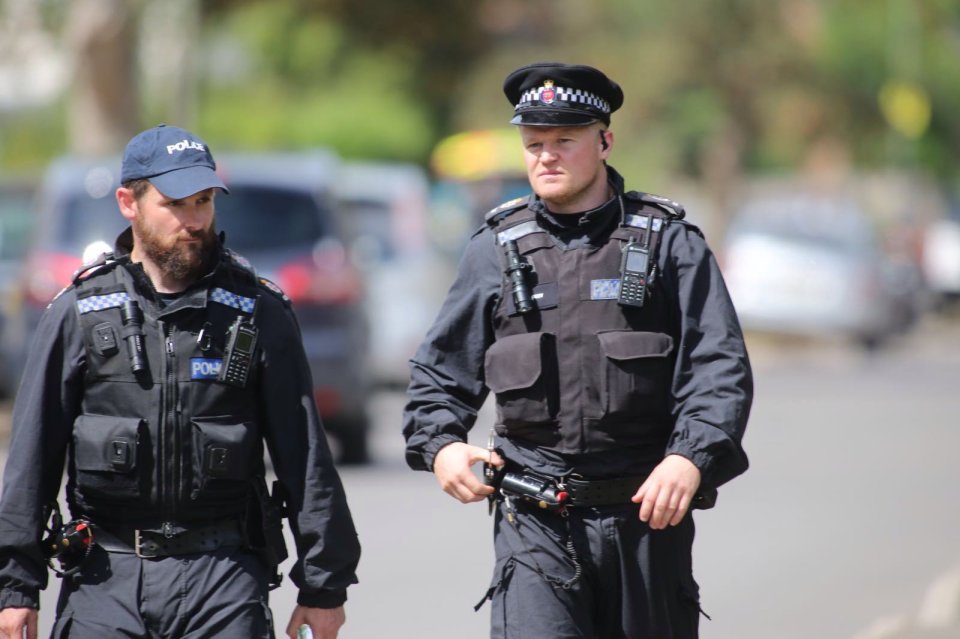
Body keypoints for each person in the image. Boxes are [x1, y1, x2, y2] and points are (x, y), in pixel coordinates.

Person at [402, 62, 752, 638]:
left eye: (565, 140)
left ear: (605, 140)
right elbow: (438, 376)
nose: (546, 156)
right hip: (534, 526)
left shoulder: (669, 245)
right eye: (534, 143)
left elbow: (718, 369)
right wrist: (440, 447)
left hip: (645, 520)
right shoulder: (494, 250)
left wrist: (690, 459)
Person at [0, 124, 360, 639]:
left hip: (224, 577)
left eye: (204, 202)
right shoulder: (78, 313)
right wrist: (15, 587)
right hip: (105, 578)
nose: (194, 221)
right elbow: (32, 456)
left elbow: (304, 458)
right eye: (176, 205)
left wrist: (324, 587)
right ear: (130, 202)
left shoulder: (258, 311)